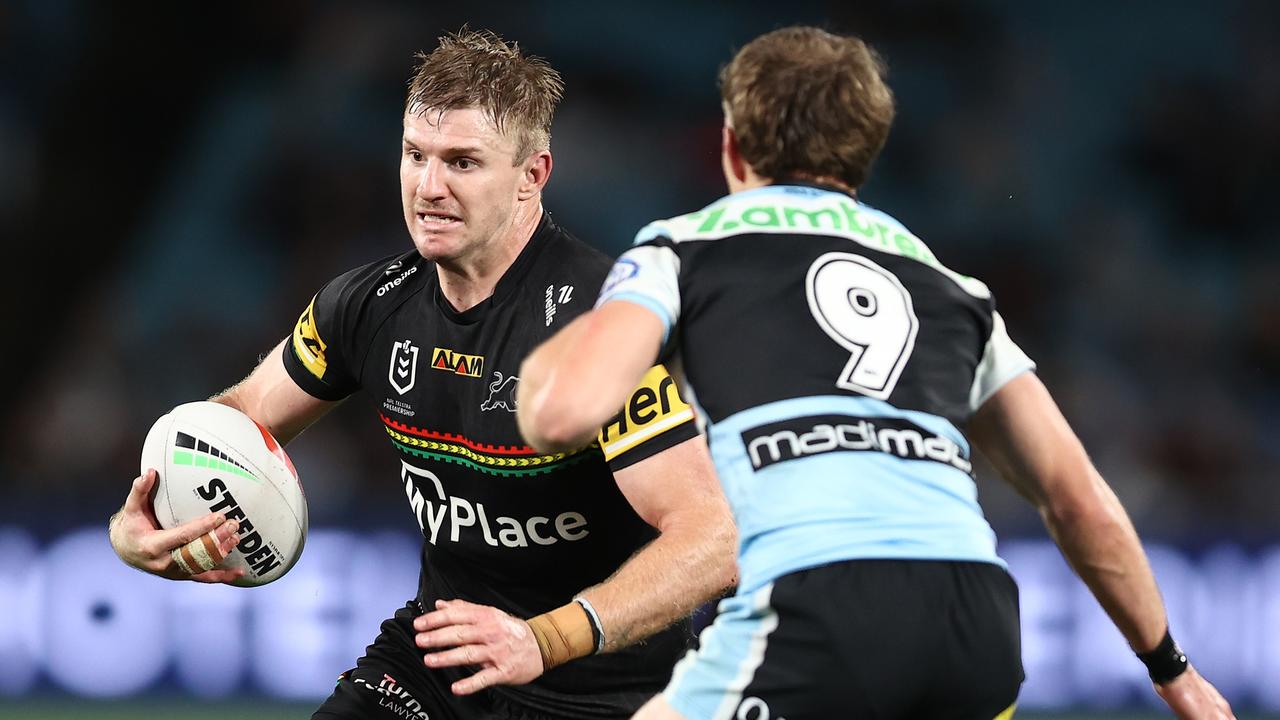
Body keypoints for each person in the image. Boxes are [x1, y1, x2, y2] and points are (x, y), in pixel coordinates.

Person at [517, 25, 1235, 720]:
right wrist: (1174, 670)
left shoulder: (684, 250)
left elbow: (560, 416)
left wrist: (562, 323)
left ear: (733, 149)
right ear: (863, 156)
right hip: (974, 628)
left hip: (819, 602)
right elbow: (1079, 500)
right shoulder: (953, 288)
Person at [109, 28, 736, 720]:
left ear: (533, 174)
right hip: (438, 666)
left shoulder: (600, 324)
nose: (429, 188)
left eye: (463, 162)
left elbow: (712, 538)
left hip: (607, 691)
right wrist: (147, 519)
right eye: (415, 156)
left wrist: (544, 638)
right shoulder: (364, 304)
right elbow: (233, 419)